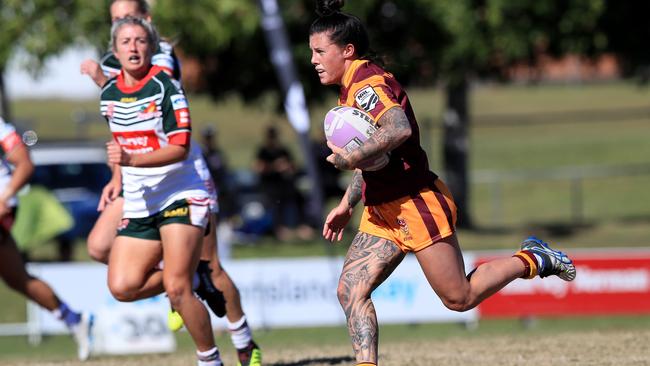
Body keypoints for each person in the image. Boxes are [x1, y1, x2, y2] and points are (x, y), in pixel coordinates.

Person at [309, 1, 577, 365]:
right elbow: (373, 155)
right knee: (350, 291)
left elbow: (397, 129)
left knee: (459, 298)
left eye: (320, 51)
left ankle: (533, 257)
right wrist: (346, 204)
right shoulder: (349, 86)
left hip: (416, 203)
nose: (314, 60)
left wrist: (350, 158)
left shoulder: (369, 84)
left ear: (347, 51)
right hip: (382, 210)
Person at [81, 2, 261, 365]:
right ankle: (186, 278)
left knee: (203, 270)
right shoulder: (111, 87)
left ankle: (238, 341)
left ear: (147, 27)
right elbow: (122, 132)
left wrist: (128, 159)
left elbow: (174, 145)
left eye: (132, 25)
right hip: (139, 188)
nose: (128, 35)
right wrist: (118, 174)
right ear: (113, 42)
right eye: (117, 23)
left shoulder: (162, 68)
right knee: (110, 264)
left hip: (182, 184)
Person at [0, 117, 93, 361]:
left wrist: (5, 197)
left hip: (2, 205)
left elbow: (24, 165)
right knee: (17, 278)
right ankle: (73, 319)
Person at [254, 125, 313, 241]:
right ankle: (279, 229)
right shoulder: (263, 151)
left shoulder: (283, 150)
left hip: (285, 184)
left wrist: (287, 167)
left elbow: (294, 166)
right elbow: (258, 167)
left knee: (299, 197)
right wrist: (275, 166)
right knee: (275, 203)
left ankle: (302, 226)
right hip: (269, 185)